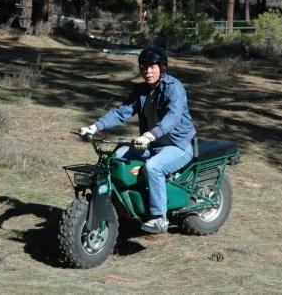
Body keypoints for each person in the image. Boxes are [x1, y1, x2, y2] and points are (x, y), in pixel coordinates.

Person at [79, 46, 196, 234]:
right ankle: (119, 204)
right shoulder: (142, 90)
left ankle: (159, 217)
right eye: (143, 67)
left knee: (153, 167)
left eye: (152, 67)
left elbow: (173, 118)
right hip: (152, 143)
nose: (147, 71)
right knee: (117, 157)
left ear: (162, 67)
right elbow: (121, 112)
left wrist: (150, 135)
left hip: (178, 144)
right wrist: (94, 127)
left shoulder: (174, 88)